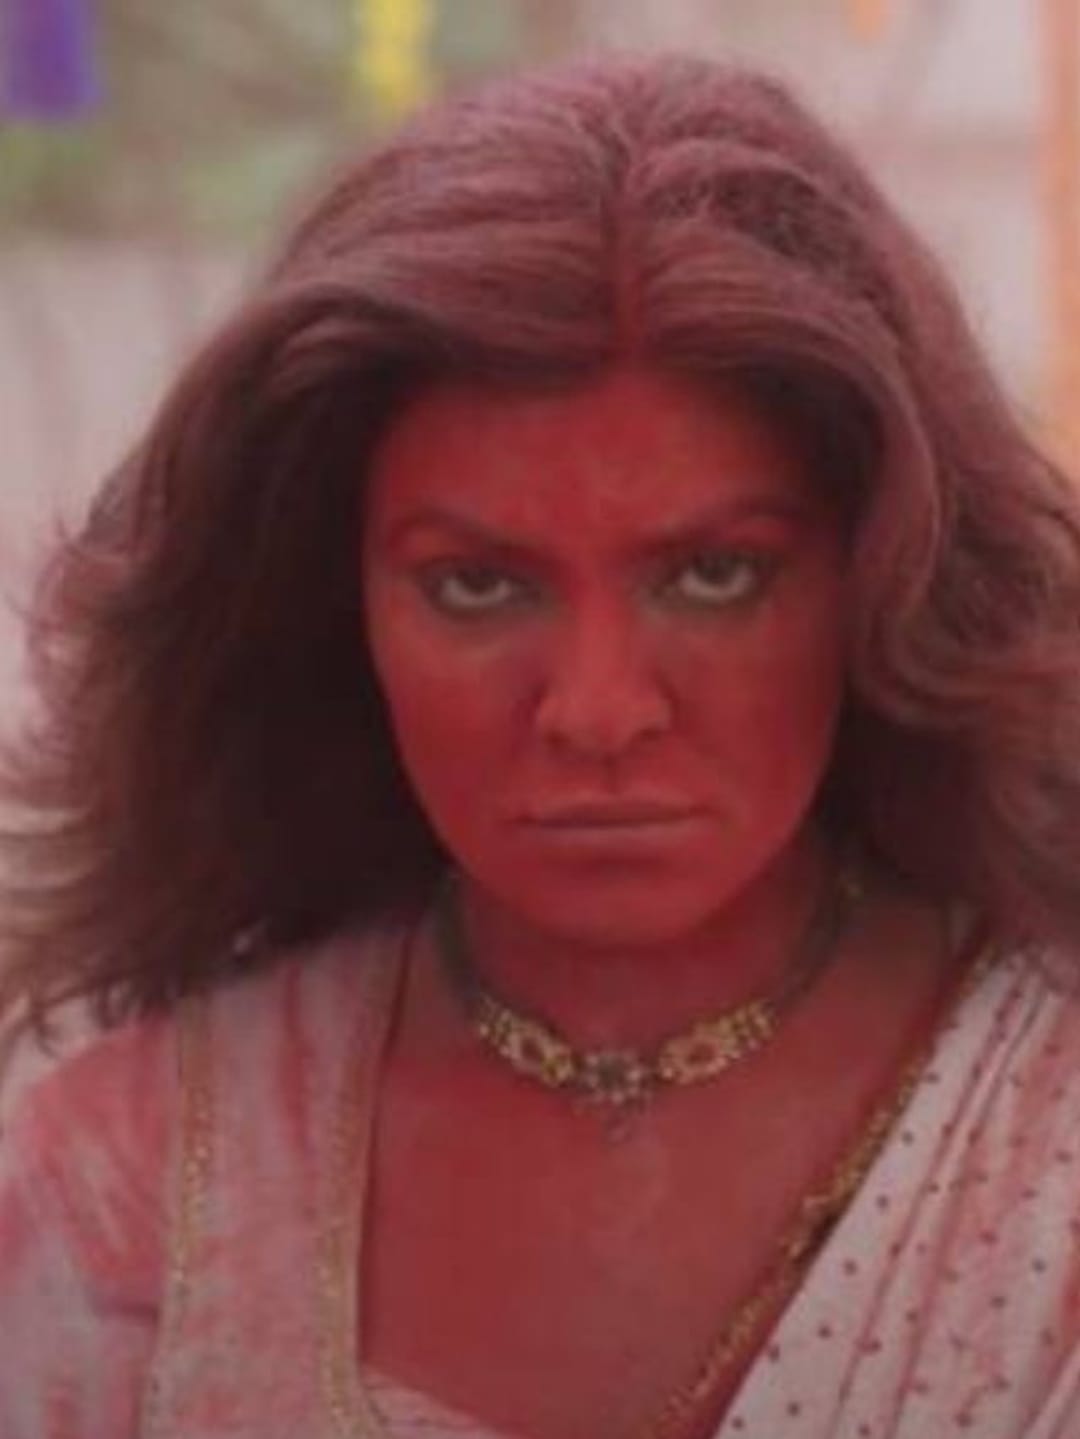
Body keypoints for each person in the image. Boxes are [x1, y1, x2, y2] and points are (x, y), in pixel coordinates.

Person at [2, 51, 1080, 1439]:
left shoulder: (1050, 1137)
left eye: (714, 575)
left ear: (885, 580)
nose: (597, 710)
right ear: (333, 608)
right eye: (477, 586)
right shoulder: (123, 1197)